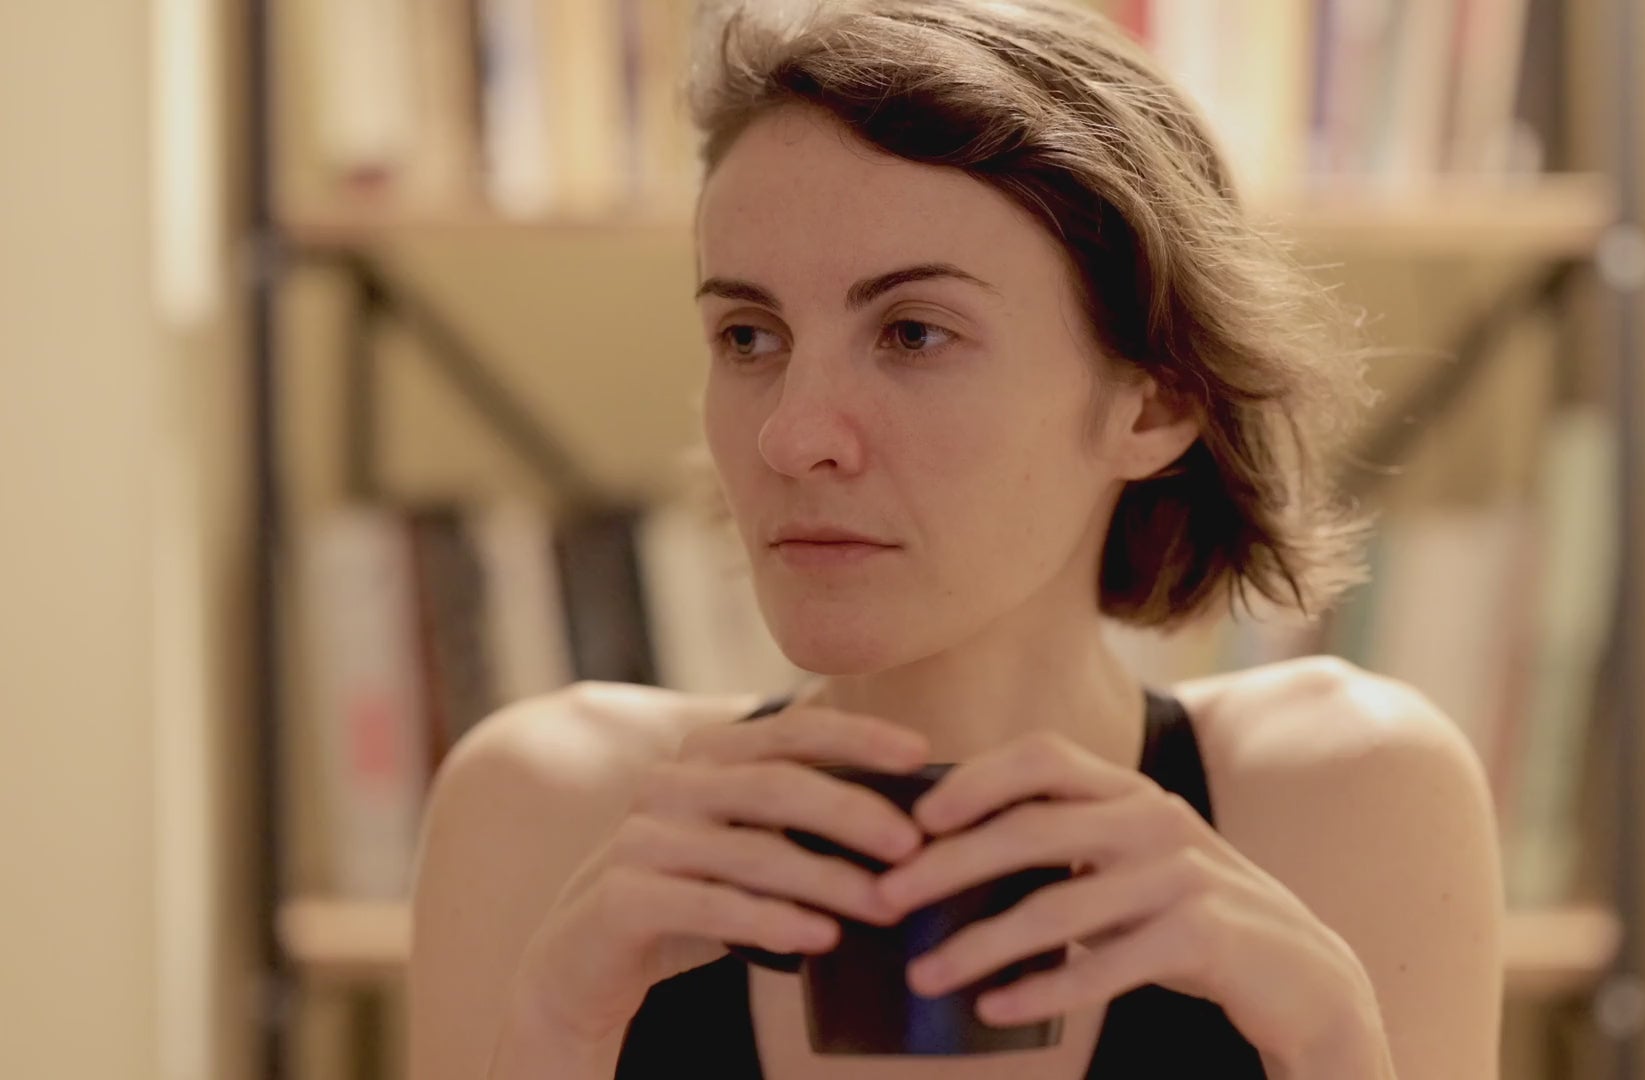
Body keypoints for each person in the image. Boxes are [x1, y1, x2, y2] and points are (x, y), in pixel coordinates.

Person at [408, 1, 1504, 1077]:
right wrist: (555, 1032)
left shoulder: (1349, 800)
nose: (793, 434)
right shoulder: (544, 812)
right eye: (750, 335)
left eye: (914, 333)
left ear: (1155, 403)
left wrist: (1332, 1048)